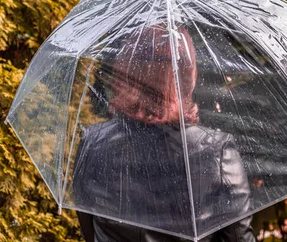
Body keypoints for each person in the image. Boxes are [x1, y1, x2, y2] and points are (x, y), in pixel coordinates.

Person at [72, 25, 255, 242]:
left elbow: (89, 231)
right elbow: (239, 238)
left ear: (127, 72)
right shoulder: (218, 151)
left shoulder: (93, 142)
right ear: (187, 75)